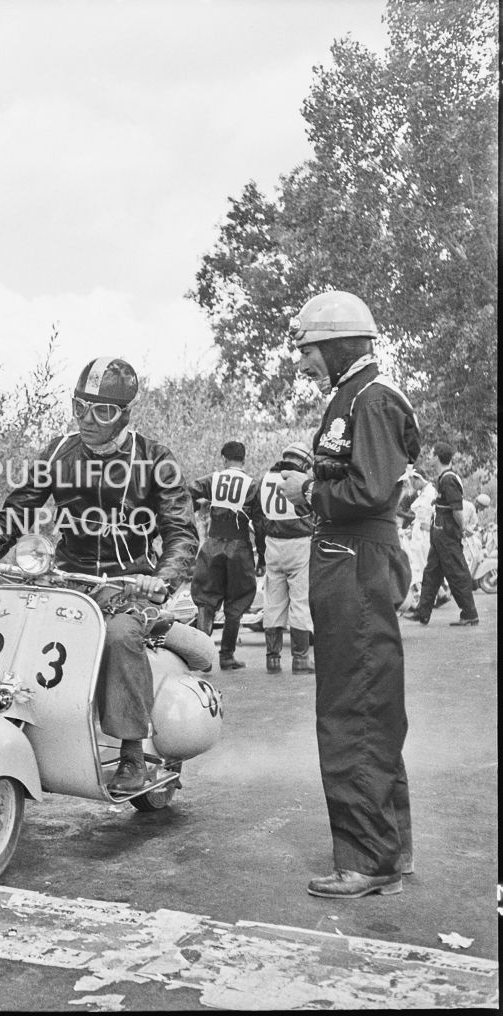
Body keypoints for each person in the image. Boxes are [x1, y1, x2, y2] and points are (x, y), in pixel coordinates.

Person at [0, 357, 199, 794]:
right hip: (66, 578)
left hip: (128, 582)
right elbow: (17, 510)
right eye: (80, 406)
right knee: (22, 627)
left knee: (120, 636)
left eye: (102, 411)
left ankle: (132, 751)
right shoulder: (58, 452)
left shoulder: (155, 459)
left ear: (124, 414)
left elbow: (181, 531)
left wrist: (162, 577)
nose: (87, 419)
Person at [281, 290, 419, 900]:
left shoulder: (372, 398)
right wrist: (315, 477)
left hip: (357, 559)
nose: (303, 362)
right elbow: (357, 476)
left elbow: (368, 491)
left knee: (354, 709)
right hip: (348, 557)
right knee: (367, 706)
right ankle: (388, 851)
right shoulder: (353, 396)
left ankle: (367, 861)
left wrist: (305, 491)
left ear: (337, 344)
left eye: (308, 350)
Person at [188, 441, 266, 670]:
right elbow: (260, 524)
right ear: (244, 459)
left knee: (206, 599)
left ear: (224, 458)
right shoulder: (252, 485)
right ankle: (227, 656)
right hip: (239, 547)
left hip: (213, 544)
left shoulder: (213, 479)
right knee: (236, 602)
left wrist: (196, 508)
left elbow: (186, 491)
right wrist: (262, 556)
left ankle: (202, 658)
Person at [405, 442, 479, 628]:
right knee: (431, 573)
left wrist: (463, 527)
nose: (430, 457)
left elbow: (457, 509)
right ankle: (423, 613)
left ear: (437, 457)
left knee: (457, 572)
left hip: (447, 533)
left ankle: (469, 613)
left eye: (432, 454)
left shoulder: (448, 479)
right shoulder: (444, 478)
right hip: (440, 534)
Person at [258, 442, 315, 673]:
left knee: (273, 602)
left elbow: (258, 517)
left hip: (272, 545)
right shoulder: (300, 481)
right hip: (299, 545)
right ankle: (300, 659)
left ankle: (272, 659)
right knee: (300, 601)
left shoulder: (265, 479)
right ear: (302, 462)